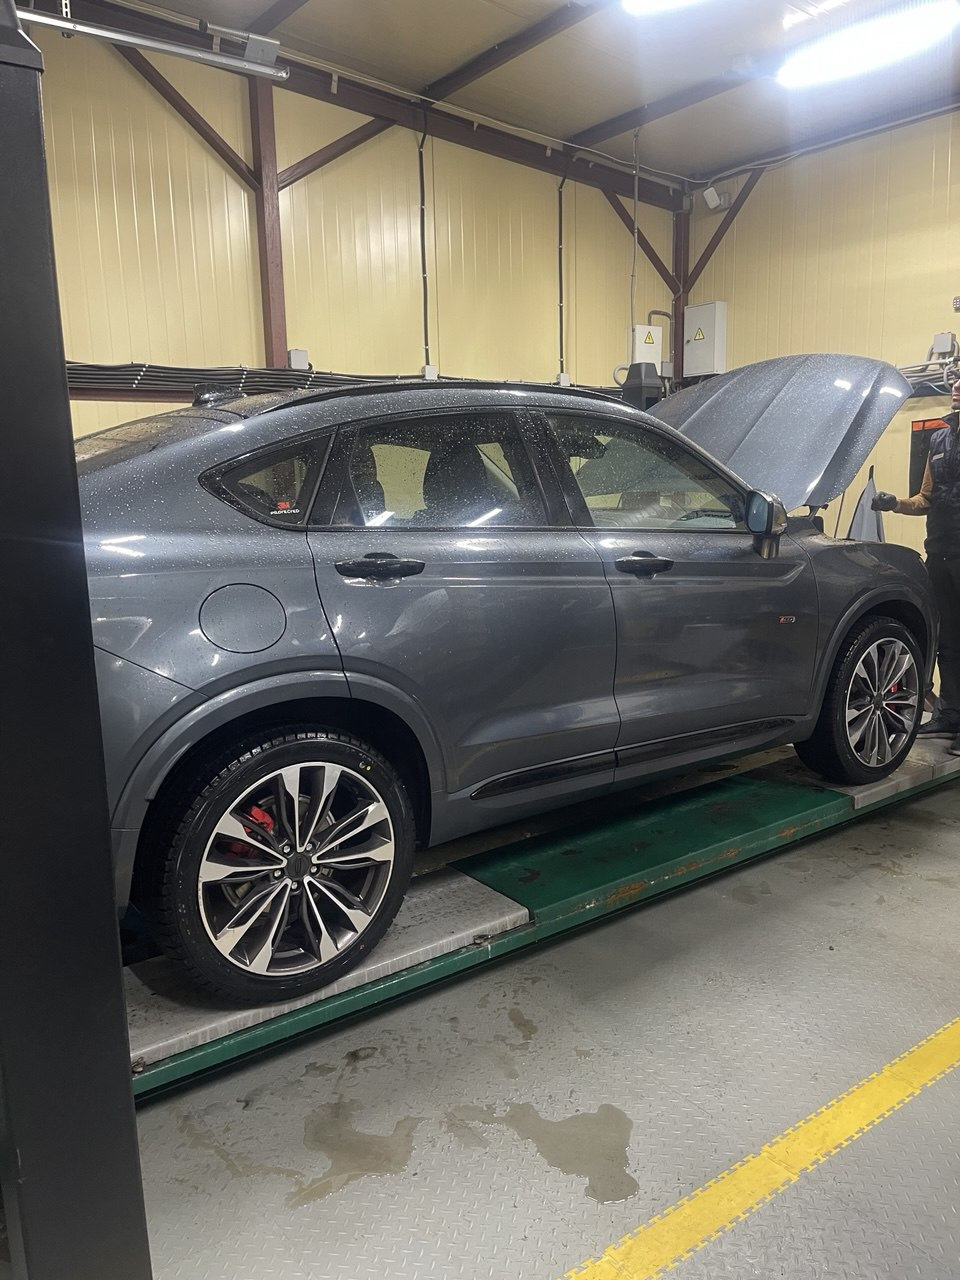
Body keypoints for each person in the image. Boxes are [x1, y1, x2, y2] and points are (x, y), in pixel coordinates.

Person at [873, 378, 960, 747]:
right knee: (947, 639)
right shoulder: (939, 440)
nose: (956, 385)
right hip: (939, 552)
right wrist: (895, 503)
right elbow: (926, 498)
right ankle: (950, 715)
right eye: (955, 379)